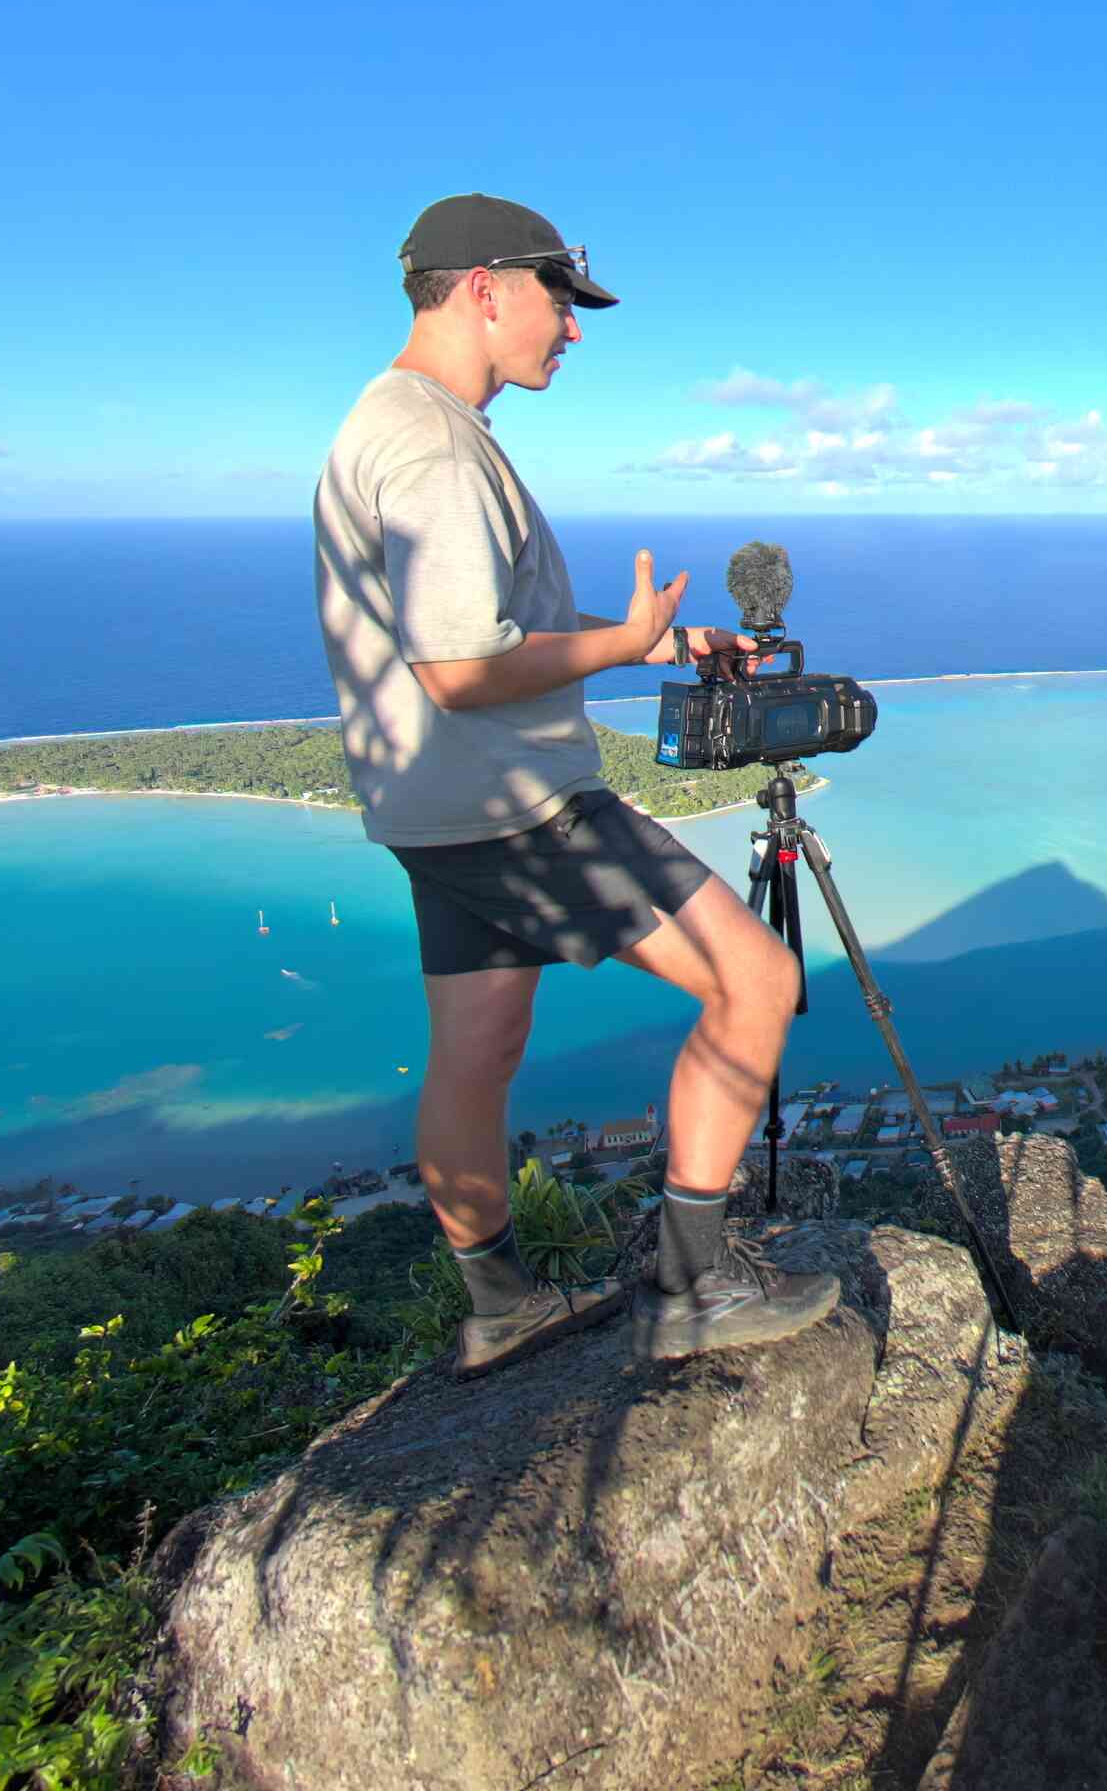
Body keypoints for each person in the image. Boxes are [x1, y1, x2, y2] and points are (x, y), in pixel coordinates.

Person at [311, 192, 841, 1375]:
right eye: (562, 298)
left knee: (478, 1044)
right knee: (754, 980)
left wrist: (661, 640)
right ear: (487, 286)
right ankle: (695, 1285)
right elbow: (460, 666)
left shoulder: (389, 426)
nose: (575, 329)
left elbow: (497, 627)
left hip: (429, 809)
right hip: (521, 803)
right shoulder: (438, 449)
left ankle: (498, 1303)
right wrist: (618, 644)